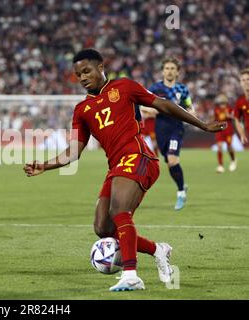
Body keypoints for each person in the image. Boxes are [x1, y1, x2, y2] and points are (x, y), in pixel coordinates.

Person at [23, 49, 225, 291]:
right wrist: (45, 165)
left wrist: (201, 124)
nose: (83, 77)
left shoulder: (125, 87)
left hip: (139, 157)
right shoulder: (82, 110)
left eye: (87, 71)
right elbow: (73, 152)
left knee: (119, 210)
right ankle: (157, 249)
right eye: (78, 75)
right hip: (117, 166)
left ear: (101, 67)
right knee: (103, 228)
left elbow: (162, 104)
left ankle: (131, 275)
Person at [148, 58, 195, 211]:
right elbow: (143, 107)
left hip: (177, 127)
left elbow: (189, 106)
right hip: (161, 128)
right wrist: (152, 111)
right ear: (163, 71)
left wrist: (191, 113)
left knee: (173, 160)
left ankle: (181, 193)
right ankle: (182, 185)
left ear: (177, 71)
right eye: (167, 68)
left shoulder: (182, 89)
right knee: (169, 162)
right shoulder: (155, 88)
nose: (169, 71)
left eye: (172, 68)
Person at [213, 94, 237, 173]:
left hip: (228, 131)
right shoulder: (216, 110)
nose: (222, 105)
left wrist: (229, 116)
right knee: (219, 147)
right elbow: (215, 119)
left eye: (223, 103)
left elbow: (235, 117)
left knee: (229, 147)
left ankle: (233, 160)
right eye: (220, 103)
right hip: (219, 130)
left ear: (226, 103)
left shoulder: (230, 109)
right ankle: (220, 166)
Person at [234, 68, 249, 145]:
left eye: (248, 79)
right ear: (240, 83)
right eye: (243, 80)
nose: (245, 82)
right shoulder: (240, 101)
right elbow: (237, 119)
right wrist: (242, 134)